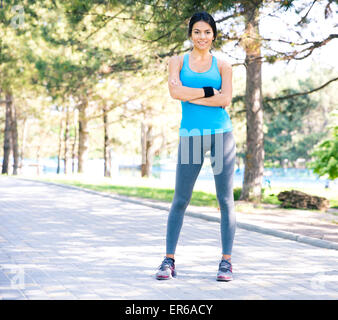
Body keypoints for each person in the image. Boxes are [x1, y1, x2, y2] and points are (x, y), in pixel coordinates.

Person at [155, 11, 236, 282]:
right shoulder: (177, 61)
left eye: (207, 32)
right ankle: (169, 260)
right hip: (191, 135)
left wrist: (196, 96)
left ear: (214, 35)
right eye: (197, 32)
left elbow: (225, 99)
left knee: (225, 201)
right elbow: (175, 93)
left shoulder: (223, 65)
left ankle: (226, 262)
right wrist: (208, 92)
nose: (202, 37)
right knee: (181, 199)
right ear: (191, 34)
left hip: (221, 136)